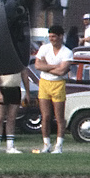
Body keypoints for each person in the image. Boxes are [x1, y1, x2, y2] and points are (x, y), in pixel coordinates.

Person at [33, 25, 73, 153]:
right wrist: (53, 66)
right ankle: (46, 144)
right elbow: (37, 65)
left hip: (58, 84)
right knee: (45, 116)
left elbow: (62, 70)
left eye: (54, 37)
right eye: (50, 37)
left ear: (60, 36)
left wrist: (47, 66)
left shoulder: (67, 52)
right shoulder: (44, 48)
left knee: (59, 116)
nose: (52, 39)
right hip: (44, 83)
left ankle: (59, 145)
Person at [0, 69, 32, 154]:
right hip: (3, 88)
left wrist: (27, 93)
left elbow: (24, 75)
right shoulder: (1, 60)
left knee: (11, 118)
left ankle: (10, 146)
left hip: (15, 89)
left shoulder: (19, 61)